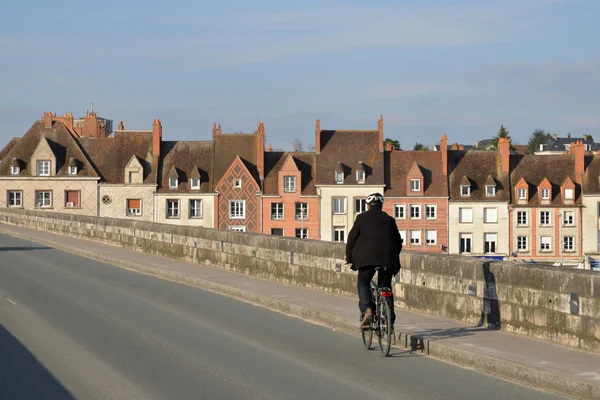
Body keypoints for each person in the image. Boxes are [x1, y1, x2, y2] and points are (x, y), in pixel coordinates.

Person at [345, 192, 402, 329]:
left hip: (366, 259)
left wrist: (349, 257)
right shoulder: (390, 220)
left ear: (368, 206)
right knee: (385, 287)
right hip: (387, 260)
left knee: (363, 283)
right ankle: (390, 321)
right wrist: (393, 256)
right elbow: (398, 242)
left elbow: (352, 238)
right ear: (381, 206)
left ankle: (367, 310)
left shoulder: (361, 218)